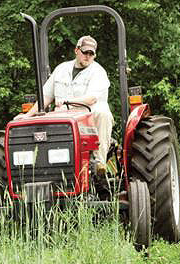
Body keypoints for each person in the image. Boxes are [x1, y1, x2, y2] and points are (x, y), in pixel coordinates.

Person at [15, 35, 113, 174]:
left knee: (103, 113)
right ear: (76, 50)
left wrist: (68, 102)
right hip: (61, 116)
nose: (88, 56)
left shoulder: (98, 72)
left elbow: (91, 99)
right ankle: (36, 168)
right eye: (85, 52)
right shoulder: (61, 69)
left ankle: (99, 163)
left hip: (87, 117)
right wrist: (27, 115)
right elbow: (46, 96)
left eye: (91, 54)